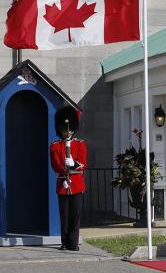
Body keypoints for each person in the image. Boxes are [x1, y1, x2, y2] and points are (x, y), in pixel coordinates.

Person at [50, 106, 87, 251]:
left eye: (70, 130)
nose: (67, 132)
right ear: (60, 130)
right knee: (64, 216)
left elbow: (84, 164)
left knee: (75, 216)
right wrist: (64, 175)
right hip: (62, 183)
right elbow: (55, 164)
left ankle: (74, 243)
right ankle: (65, 242)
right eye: (65, 130)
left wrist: (74, 164)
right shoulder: (55, 146)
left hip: (77, 183)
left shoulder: (80, 144)